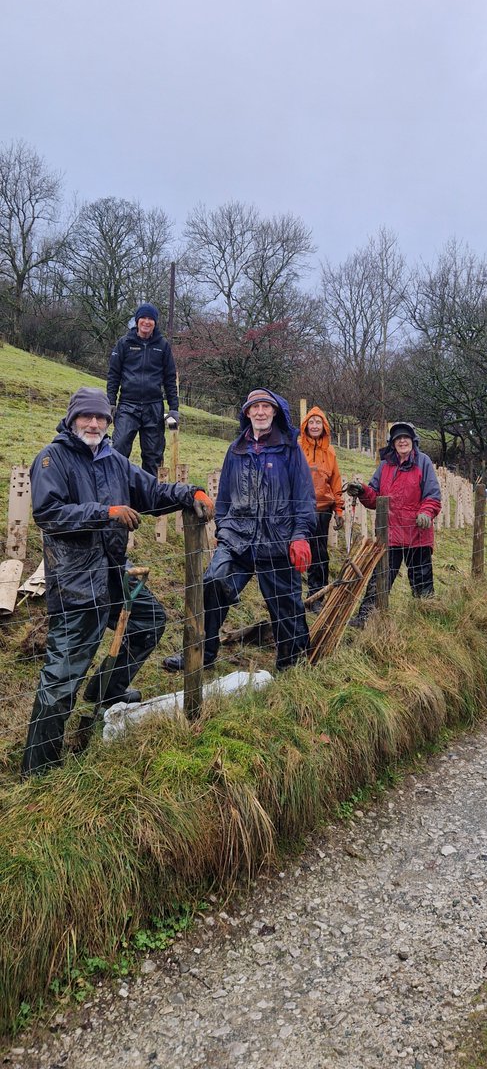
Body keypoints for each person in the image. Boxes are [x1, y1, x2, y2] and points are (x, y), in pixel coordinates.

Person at [22, 386, 214, 776]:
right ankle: (38, 767)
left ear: (109, 423)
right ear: (72, 419)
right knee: (62, 675)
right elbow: (49, 514)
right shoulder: (52, 459)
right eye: (86, 417)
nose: (94, 424)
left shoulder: (114, 460)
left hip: (113, 572)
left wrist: (188, 491)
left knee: (149, 621)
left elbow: (152, 492)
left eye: (101, 418)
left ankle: (105, 693)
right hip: (76, 581)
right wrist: (105, 512)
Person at [163, 388, 316, 675]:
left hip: (278, 540)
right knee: (211, 584)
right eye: (254, 407)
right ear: (247, 413)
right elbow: (224, 498)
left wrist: (299, 535)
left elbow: (304, 497)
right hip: (239, 540)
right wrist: (225, 529)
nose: (260, 412)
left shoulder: (289, 449)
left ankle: (291, 665)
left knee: (286, 606)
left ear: (275, 412)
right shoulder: (236, 450)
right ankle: (200, 652)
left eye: (265, 407)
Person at [346, 421, 441, 627]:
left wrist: (426, 512)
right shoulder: (385, 465)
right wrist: (362, 490)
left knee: (421, 578)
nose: (402, 441)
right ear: (392, 443)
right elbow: (375, 498)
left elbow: (432, 495)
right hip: (390, 534)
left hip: (417, 532)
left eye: (406, 437)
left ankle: (425, 619)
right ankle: (366, 618)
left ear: (413, 441)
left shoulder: (423, 462)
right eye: (398, 438)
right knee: (381, 576)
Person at [107, 302, 180, 478]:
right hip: (127, 406)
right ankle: (116, 489)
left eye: (150, 319)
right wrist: (110, 402)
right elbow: (113, 375)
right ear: (137, 320)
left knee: (153, 455)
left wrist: (174, 408)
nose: (146, 322)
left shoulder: (162, 346)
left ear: (155, 322)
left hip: (153, 407)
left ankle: (149, 497)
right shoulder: (124, 343)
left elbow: (170, 378)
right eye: (143, 318)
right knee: (118, 448)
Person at [298, 406, 344, 611]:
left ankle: (316, 596)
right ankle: (293, 595)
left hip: (322, 509)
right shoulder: (297, 447)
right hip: (299, 508)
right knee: (297, 551)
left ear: (324, 426)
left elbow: (335, 481)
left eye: (319, 422)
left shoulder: (330, 452)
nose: (315, 426)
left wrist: (339, 509)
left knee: (319, 553)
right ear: (305, 425)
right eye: (312, 422)